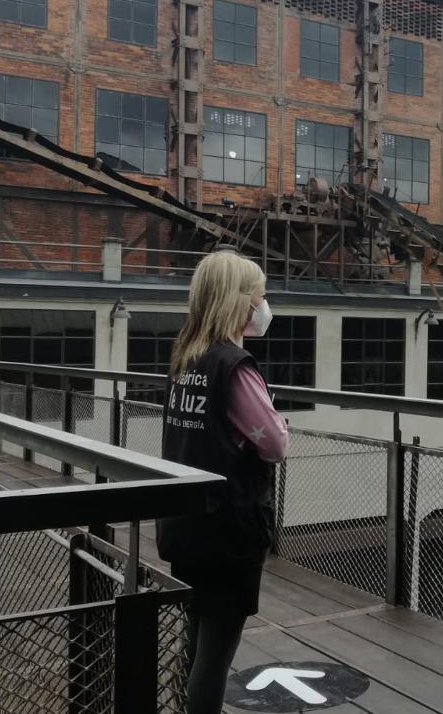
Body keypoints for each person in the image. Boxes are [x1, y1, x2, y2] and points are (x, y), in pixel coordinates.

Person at [156, 249, 289, 714]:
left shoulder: (185, 357)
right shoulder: (236, 366)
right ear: (240, 302)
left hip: (185, 523)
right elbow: (273, 442)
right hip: (227, 532)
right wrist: (280, 422)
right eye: (260, 295)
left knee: (197, 634)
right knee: (216, 655)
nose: (264, 304)